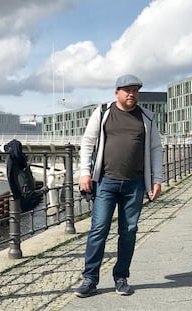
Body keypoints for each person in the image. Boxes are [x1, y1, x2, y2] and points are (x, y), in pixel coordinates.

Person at [76, 74, 163, 297]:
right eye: (127, 90)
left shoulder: (147, 117)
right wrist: (85, 173)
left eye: (135, 90)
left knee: (129, 231)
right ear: (117, 92)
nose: (131, 94)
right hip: (106, 181)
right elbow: (87, 142)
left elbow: (155, 149)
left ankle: (121, 277)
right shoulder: (103, 112)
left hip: (134, 184)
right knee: (98, 229)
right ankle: (90, 279)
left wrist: (157, 180)